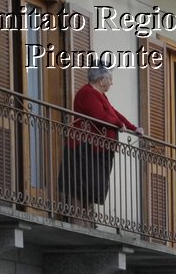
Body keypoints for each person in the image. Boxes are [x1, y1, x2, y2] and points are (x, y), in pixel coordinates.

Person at [58, 64, 140, 206]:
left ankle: (85, 224)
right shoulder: (88, 93)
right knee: (80, 189)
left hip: (96, 150)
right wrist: (119, 125)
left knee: (92, 189)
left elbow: (114, 113)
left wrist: (134, 128)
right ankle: (79, 224)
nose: (112, 83)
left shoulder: (100, 95)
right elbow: (100, 116)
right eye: (110, 79)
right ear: (101, 80)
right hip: (83, 149)